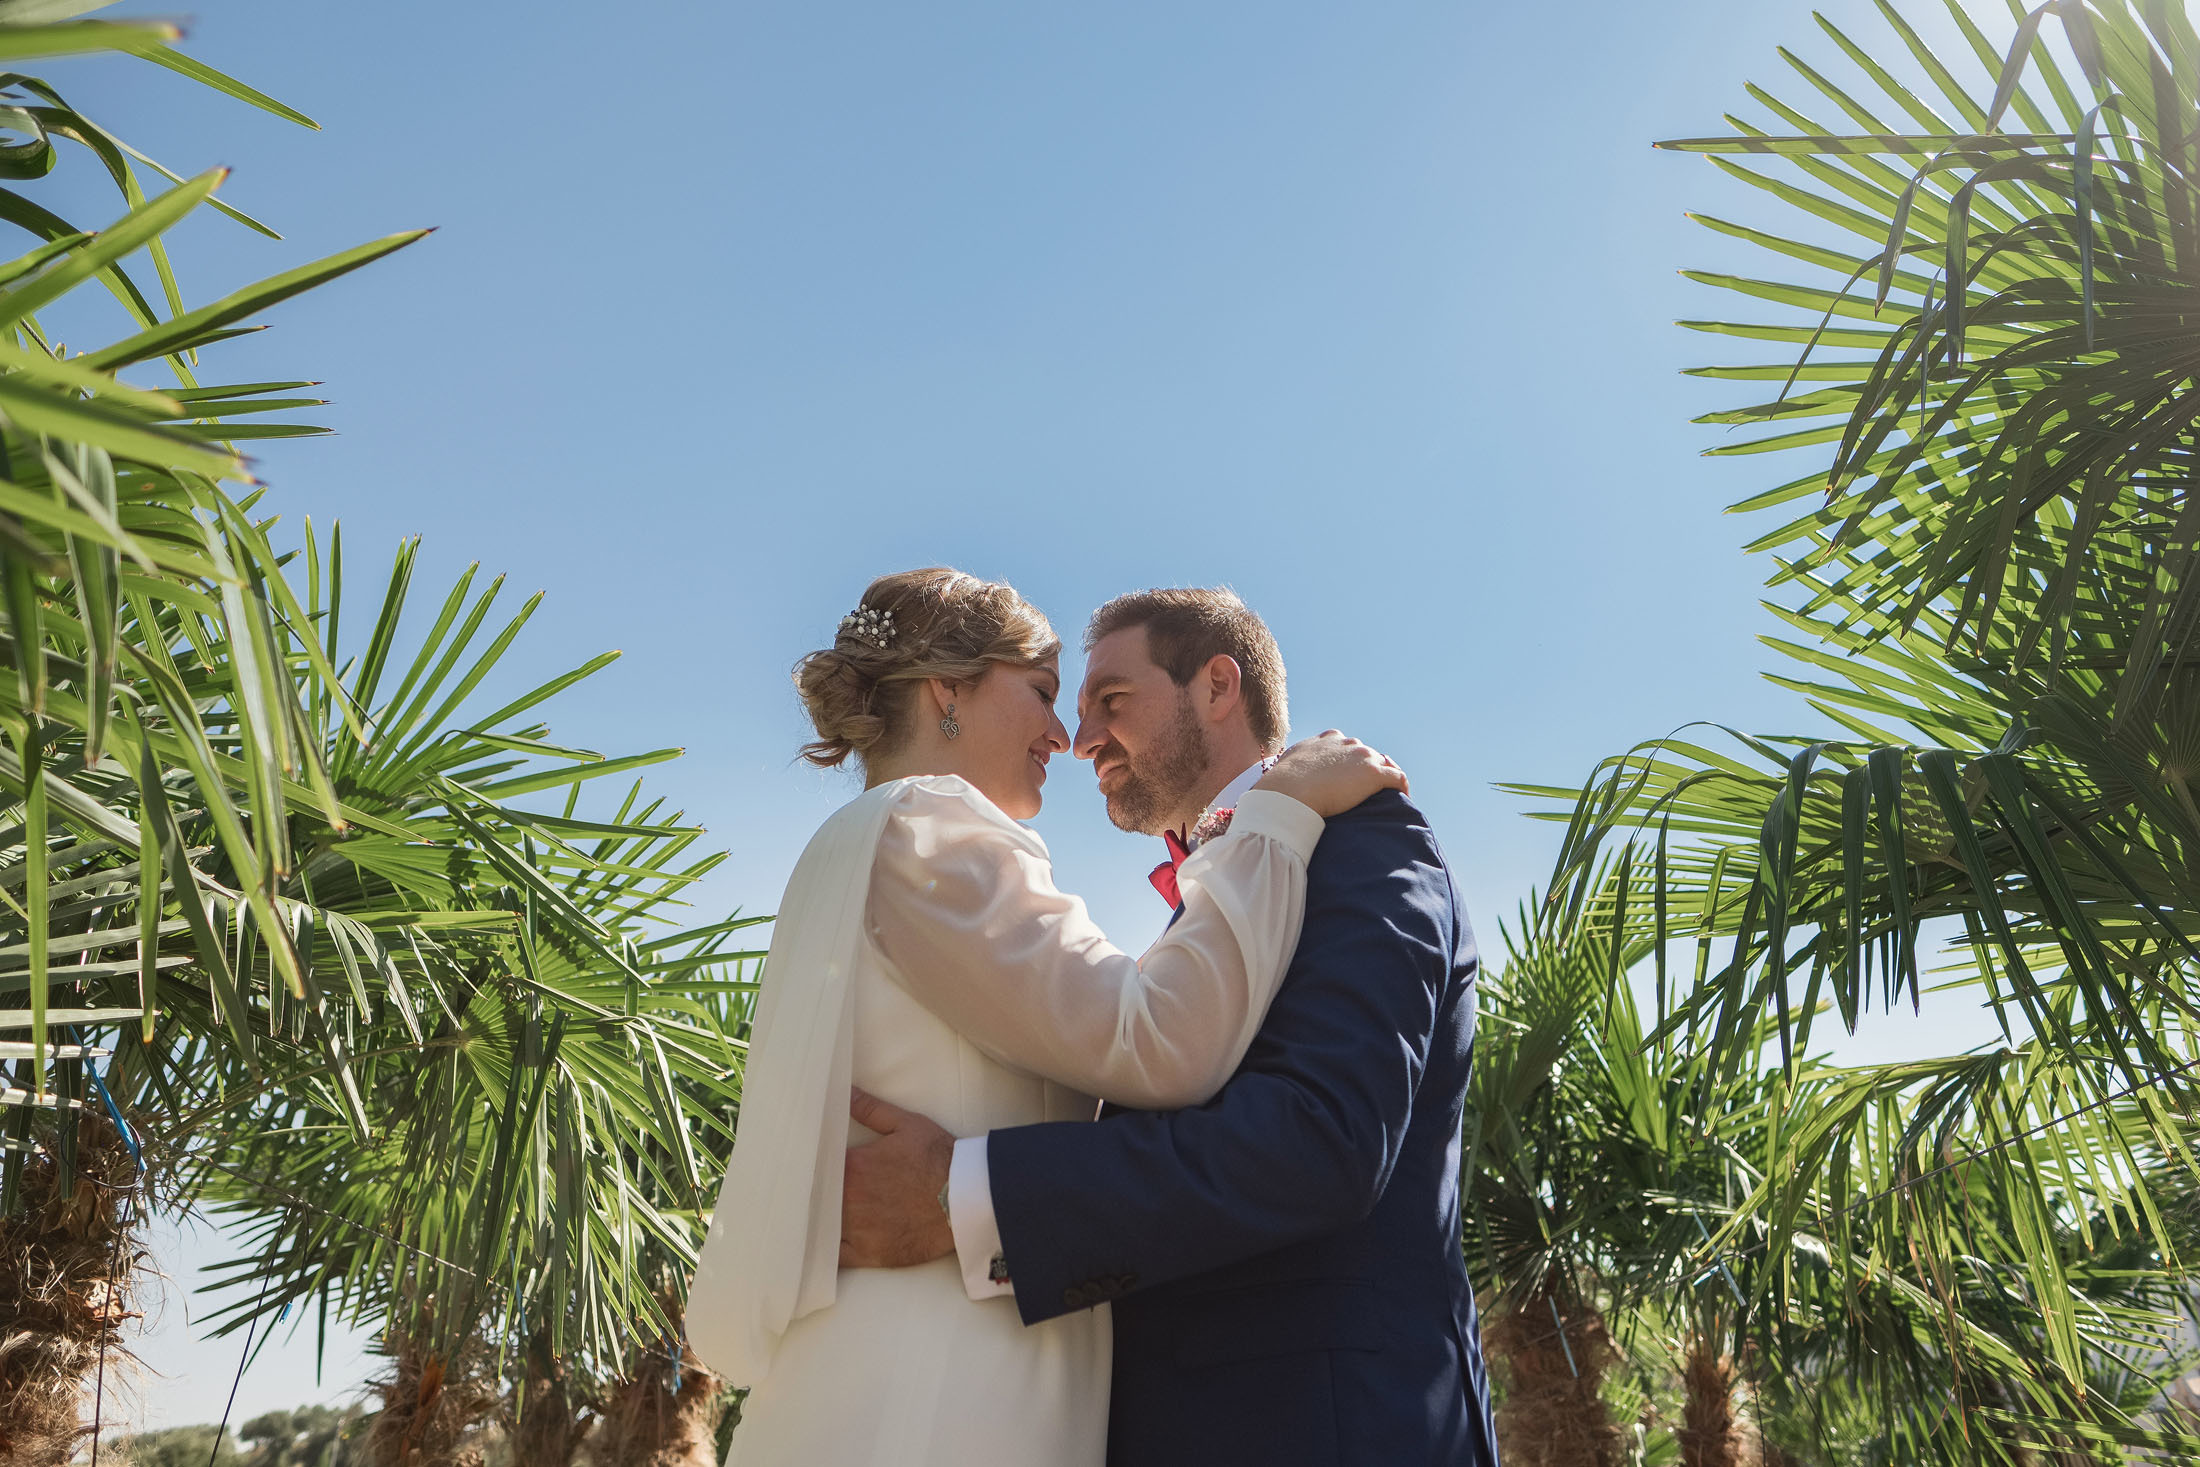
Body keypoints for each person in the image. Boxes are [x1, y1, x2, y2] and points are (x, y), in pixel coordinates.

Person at [684, 567, 1407, 1466]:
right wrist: (1278, 814)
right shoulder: (932, 828)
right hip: (944, 1388)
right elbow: (1161, 1042)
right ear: (949, 689)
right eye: (1042, 693)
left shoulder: (856, 846)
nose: (1065, 736)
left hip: (918, 1360)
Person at [839, 586, 1501, 1467]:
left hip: (1332, 1428)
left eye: (1111, 703)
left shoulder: (1364, 840)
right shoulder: (1215, 916)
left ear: (1218, 687)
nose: (1080, 743)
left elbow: (1320, 1141)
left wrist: (967, 1199)